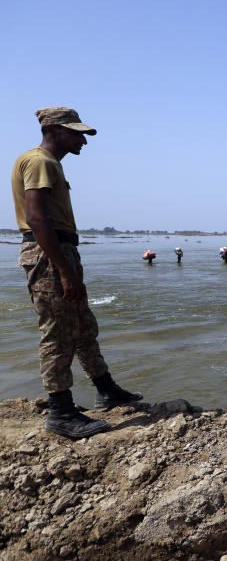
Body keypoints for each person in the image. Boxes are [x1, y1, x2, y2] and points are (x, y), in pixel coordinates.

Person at [10, 107, 142, 438]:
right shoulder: (39, 161)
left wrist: (69, 266)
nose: (83, 139)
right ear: (54, 130)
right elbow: (38, 219)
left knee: (82, 324)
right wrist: (65, 271)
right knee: (57, 333)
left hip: (60, 250)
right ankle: (61, 411)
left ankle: (106, 389)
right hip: (49, 253)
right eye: (76, 132)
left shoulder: (49, 163)